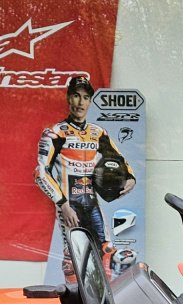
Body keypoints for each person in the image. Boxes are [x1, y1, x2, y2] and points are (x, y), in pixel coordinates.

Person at [35, 75, 134, 277]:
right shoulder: (55, 133)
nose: (80, 102)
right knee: (72, 259)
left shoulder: (98, 133)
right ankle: (76, 303)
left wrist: (130, 178)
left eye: (86, 97)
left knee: (106, 252)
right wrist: (62, 205)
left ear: (90, 101)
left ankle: (107, 303)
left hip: (92, 202)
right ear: (68, 98)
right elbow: (40, 173)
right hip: (69, 205)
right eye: (76, 96)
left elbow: (119, 159)